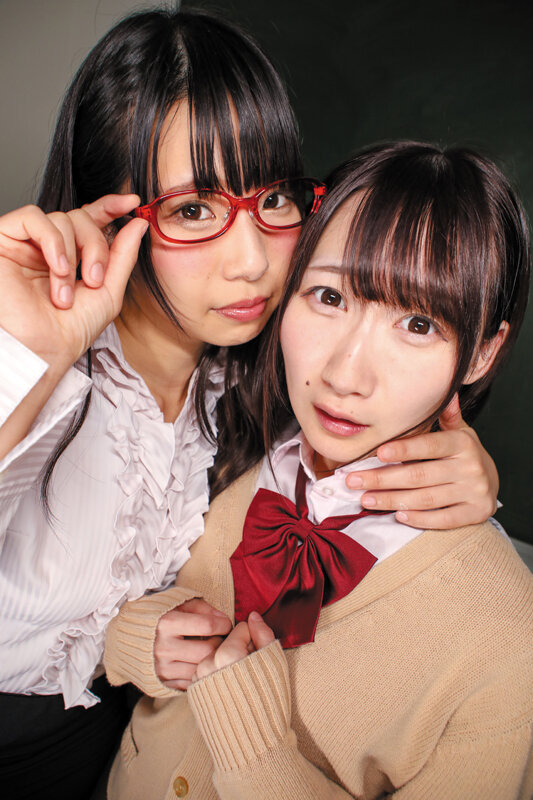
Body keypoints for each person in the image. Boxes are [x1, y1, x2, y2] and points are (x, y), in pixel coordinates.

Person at [0, 6, 499, 798]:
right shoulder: (40, 363)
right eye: (192, 210)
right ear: (106, 213)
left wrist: (466, 473)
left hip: (124, 740)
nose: (251, 263)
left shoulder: (270, 371)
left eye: (273, 200)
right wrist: (22, 357)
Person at [105, 142, 532, 800]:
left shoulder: (506, 635)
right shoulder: (230, 439)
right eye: (328, 296)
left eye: (418, 324)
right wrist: (145, 640)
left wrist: (259, 751)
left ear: (482, 352)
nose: (343, 374)